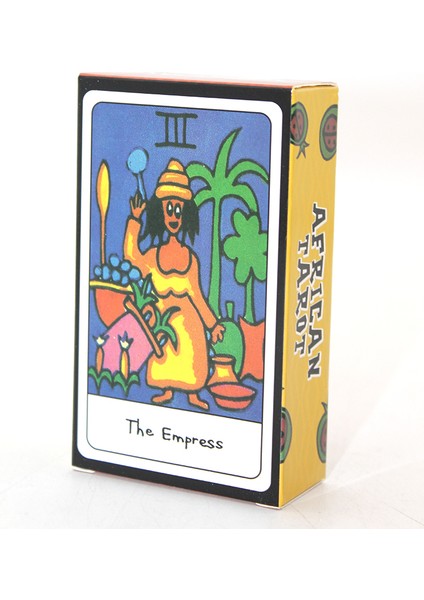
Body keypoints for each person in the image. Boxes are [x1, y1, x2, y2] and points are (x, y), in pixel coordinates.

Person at [123, 159, 224, 410]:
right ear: (160, 212)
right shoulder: (153, 256)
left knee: (193, 359)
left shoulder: (190, 259)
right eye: (169, 209)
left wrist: (212, 325)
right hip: (163, 325)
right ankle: (167, 390)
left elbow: (197, 296)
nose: (173, 216)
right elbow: (132, 257)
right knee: (163, 358)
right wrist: (135, 220)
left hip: (190, 325)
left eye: (178, 210)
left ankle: (193, 393)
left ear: (186, 214)